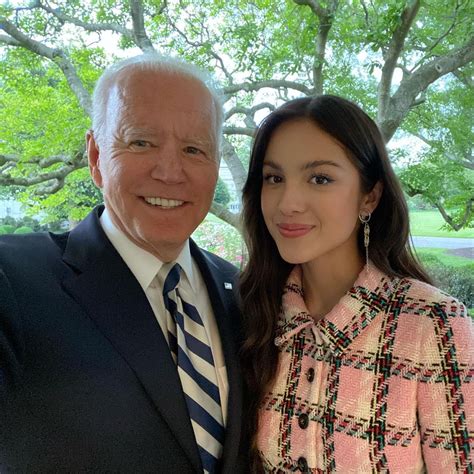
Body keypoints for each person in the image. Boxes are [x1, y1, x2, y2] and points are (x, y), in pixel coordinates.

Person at [0, 54, 246, 473]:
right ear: (96, 156)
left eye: (194, 149)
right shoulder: (12, 279)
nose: (171, 172)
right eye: (141, 142)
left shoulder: (241, 290)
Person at [240, 95, 473, 473]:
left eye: (320, 178)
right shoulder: (254, 310)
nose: (288, 202)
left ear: (370, 196)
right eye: (274, 178)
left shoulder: (432, 323)